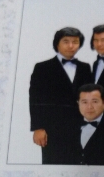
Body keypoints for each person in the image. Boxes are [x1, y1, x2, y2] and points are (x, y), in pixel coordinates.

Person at [29, 27, 91, 164]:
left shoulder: (85, 68)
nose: (71, 46)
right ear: (57, 44)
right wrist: (38, 128)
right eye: (66, 41)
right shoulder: (42, 68)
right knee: (53, 166)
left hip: (80, 127)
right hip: (52, 129)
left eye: (75, 42)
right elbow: (35, 99)